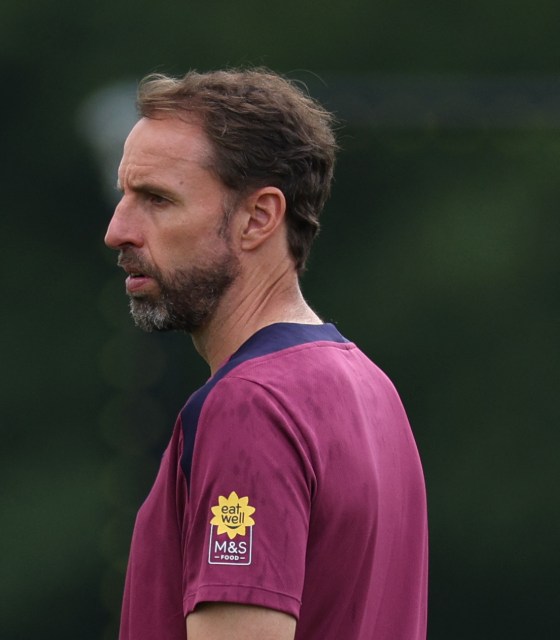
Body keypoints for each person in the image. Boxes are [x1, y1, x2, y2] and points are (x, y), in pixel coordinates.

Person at [104, 68, 428, 640]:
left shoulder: (251, 407)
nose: (118, 230)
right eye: (124, 195)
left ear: (258, 218)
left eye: (156, 199)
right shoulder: (373, 389)